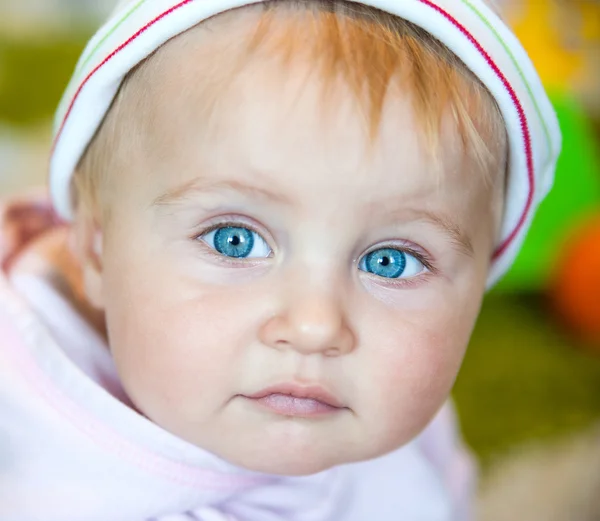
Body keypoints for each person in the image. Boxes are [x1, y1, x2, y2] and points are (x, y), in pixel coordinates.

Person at [0, 0, 561, 519]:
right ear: (97, 250)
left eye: (390, 261)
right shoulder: (37, 470)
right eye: (233, 240)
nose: (315, 325)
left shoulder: (401, 439)